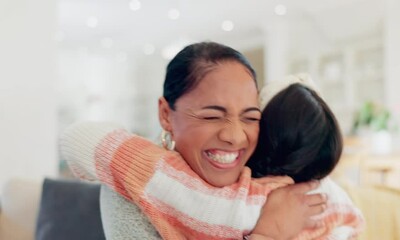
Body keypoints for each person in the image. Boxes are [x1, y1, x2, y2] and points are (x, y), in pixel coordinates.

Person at [62, 42, 328, 240]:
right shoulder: (133, 187)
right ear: (166, 115)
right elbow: (78, 138)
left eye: (249, 117)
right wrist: (269, 233)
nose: (234, 137)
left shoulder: (265, 179)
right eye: (212, 116)